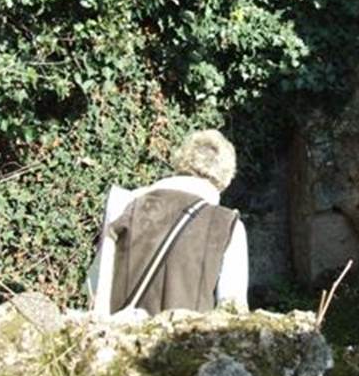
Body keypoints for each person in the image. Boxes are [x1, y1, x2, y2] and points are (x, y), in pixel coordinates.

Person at [86, 129, 248, 316]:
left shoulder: (126, 204)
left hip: (116, 339)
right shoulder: (227, 226)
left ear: (181, 162)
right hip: (183, 343)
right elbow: (233, 310)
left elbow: (96, 289)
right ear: (226, 179)